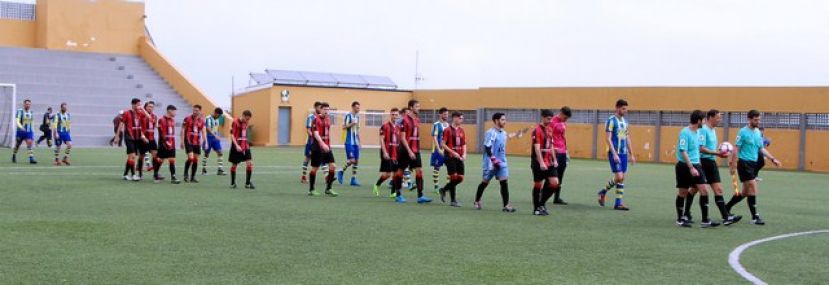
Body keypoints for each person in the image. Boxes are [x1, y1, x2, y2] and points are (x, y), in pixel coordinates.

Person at [726, 110, 782, 225]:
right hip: (744, 163)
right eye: (756, 120)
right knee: (753, 188)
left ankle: (726, 208)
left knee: (745, 192)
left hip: (753, 164)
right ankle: (755, 217)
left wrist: (773, 159)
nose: (758, 122)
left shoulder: (757, 132)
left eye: (759, 119)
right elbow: (736, 148)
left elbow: (761, 148)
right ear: (750, 119)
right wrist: (733, 163)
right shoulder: (742, 132)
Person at [691, 109, 741, 225]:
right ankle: (686, 213)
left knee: (718, 189)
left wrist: (720, 154)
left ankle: (726, 218)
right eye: (718, 117)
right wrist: (717, 153)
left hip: (711, 163)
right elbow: (701, 148)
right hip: (702, 162)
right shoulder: (703, 129)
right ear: (710, 117)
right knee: (695, 189)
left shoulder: (713, 130)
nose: (720, 120)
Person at [674, 110, 720, 228]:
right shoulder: (684, 132)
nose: (704, 122)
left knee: (704, 190)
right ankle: (680, 219)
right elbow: (683, 151)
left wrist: (698, 166)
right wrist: (691, 167)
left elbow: (697, 150)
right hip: (684, 166)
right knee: (682, 193)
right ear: (699, 120)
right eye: (703, 120)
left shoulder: (699, 132)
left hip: (697, 165)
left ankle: (705, 220)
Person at [474, 112, 515, 212]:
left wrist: (514, 135)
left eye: (505, 119)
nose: (505, 122)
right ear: (496, 121)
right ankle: (477, 200)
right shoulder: (491, 133)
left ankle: (506, 205)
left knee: (504, 182)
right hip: (490, 163)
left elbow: (506, 136)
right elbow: (487, 146)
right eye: (503, 120)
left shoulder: (503, 133)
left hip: (502, 162)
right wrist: (493, 158)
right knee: (485, 182)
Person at [597, 99, 634, 211]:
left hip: (623, 154)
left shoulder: (624, 122)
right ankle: (603, 191)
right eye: (623, 108)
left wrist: (631, 154)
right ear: (617, 108)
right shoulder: (611, 120)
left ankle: (618, 203)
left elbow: (626, 138)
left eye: (626, 109)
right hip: (614, 153)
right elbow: (608, 139)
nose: (625, 111)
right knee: (619, 177)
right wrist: (614, 154)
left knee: (622, 179)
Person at [397, 100, 433, 203]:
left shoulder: (417, 120)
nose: (419, 108)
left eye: (419, 106)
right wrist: (409, 151)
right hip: (405, 150)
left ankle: (420, 196)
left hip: (415, 150)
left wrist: (415, 149)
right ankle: (398, 194)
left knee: (419, 171)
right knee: (400, 171)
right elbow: (403, 138)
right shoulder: (404, 120)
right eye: (417, 106)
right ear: (411, 108)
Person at [530, 109, 560, 216]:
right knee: (538, 184)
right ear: (542, 117)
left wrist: (555, 159)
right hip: (538, 162)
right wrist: (541, 162)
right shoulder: (537, 130)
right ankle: (536, 209)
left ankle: (541, 203)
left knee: (555, 183)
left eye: (551, 119)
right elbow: (537, 148)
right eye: (548, 119)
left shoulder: (550, 129)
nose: (550, 121)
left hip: (549, 161)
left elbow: (551, 146)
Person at [308, 102, 338, 197]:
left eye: (328, 109)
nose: (326, 111)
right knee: (314, 169)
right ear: (320, 110)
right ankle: (311, 189)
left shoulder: (328, 119)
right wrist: (322, 144)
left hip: (327, 147)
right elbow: (316, 134)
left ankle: (328, 188)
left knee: (333, 166)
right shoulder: (315, 120)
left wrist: (327, 145)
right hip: (317, 147)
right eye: (325, 109)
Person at [439, 112, 467, 207]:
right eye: (460, 118)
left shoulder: (462, 130)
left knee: (461, 178)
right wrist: (452, 152)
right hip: (450, 157)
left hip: (459, 157)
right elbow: (442, 144)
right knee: (454, 177)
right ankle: (453, 200)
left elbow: (463, 144)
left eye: (462, 118)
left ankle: (443, 189)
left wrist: (464, 154)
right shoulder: (447, 130)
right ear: (455, 118)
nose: (461, 120)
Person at [374, 108, 402, 200]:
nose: (394, 116)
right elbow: (381, 139)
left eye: (396, 115)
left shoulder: (399, 127)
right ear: (390, 115)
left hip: (395, 152)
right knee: (388, 174)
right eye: (393, 114)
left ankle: (393, 192)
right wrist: (385, 152)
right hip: (386, 152)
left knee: (396, 173)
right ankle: (377, 185)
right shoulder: (385, 126)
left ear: (398, 116)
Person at [114, 98, 144, 180]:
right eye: (138, 105)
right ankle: (134, 175)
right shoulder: (127, 113)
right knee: (133, 156)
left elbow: (148, 118)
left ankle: (125, 174)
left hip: (137, 138)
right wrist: (117, 136)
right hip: (129, 137)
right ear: (133, 104)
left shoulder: (140, 113)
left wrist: (143, 109)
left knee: (131, 157)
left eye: (140, 105)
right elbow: (121, 124)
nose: (139, 106)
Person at [550, 106, 571, 205]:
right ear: (561, 113)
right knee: (553, 174)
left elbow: (563, 137)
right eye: (565, 118)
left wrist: (566, 150)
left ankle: (556, 198)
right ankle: (542, 194)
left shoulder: (563, 123)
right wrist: (552, 150)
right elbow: (549, 138)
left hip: (563, 152)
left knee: (560, 175)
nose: (565, 120)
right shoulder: (552, 122)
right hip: (555, 152)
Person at [338, 101, 362, 186]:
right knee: (352, 160)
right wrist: (352, 123)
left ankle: (353, 179)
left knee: (356, 161)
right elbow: (343, 126)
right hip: (348, 141)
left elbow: (357, 130)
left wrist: (359, 142)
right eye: (357, 107)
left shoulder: (358, 117)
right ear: (353, 107)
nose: (358, 109)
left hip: (355, 142)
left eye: (359, 107)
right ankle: (341, 170)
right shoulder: (348, 116)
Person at [229, 110, 255, 189]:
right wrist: (236, 145)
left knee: (249, 163)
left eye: (248, 119)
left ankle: (247, 183)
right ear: (243, 115)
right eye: (246, 119)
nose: (247, 121)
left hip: (245, 145)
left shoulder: (246, 123)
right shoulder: (235, 122)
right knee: (234, 165)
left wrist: (246, 143)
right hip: (237, 145)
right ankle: (233, 183)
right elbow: (232, 135)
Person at [156, 105, 181, 184]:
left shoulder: (172, 120)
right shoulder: (161, 120)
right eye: (174, 111)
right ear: (169, 111)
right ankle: (155, 174)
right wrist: (165, 141)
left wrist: (172, 142)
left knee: (172, 160)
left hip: (172, 144)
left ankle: (173, 177)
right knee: (160, 160)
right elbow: (160, 131)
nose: (175, 113)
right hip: (163, 144)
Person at [181, 104, 206, 183]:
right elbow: (182, 130)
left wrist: (205, 141)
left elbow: (203, 131)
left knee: (195, 159)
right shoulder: (187, 118)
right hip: (188, 140)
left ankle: (193, 177)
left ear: (200, 111)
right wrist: (182, 141)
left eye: (197, 110)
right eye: (194, 110)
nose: (195, 112)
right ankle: (185, 174)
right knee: (191, 158)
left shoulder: (201, 121)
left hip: (197, 142)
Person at [137, 101, 160, 180]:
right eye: (149, 106)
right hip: (143, 138)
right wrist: (142, 136)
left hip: (151, 138)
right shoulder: (141, 114)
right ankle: (140, 174)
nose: (151, 108)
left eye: (152, 107)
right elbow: (138, 126)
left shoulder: (155, 116)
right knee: (141, 156)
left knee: (155, 155)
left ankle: (155, 174)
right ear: (145, 107)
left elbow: (156, 126)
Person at [301, 102, 322, 184]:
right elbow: (308, 130)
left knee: (322, 158)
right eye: (320, 107)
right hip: (311, 142)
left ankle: (327, 177)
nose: (320, 109)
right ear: (315, 108)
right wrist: (314, 137)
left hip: (320, 142)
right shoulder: (311, 117)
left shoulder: (321, 117)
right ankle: (303, 176)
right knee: (308, 158)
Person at [430, 107, 450, 194]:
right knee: (437, 168)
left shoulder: (448, 125)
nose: (446, 116)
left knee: (450, 168)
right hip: (437, 150)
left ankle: (448, 186)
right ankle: (436, 187)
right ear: (440, 114)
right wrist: (438, 149)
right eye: (445, 114)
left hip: (446, 150)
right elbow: (434, 137)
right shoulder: (436, 124)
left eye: (447, 114)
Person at [203, 107, 227, 176]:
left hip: (215, 139)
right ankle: (204, 169)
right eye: (218, 115)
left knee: (220, 152)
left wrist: (217, 135)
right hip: (208, 138)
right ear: (215, 113)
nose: (219, 116)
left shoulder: (217, 120)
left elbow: (215, 129)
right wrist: (215, 135)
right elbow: (208, 128)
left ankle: (220, 170)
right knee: (206, 154)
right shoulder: (208, 118)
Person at [12, 99, 37, 164]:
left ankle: (31, 158)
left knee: (29, 143)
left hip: (29, 131)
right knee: (17, 145)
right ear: (24, 104)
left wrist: (33, 131)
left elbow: (32, 122)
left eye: (29, 104)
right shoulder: (19, 111)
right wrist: (21, 127)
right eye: (26, 104)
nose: (28, 105)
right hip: (20, 131)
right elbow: (17, 121)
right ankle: (14, 154)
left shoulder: (31, 112)